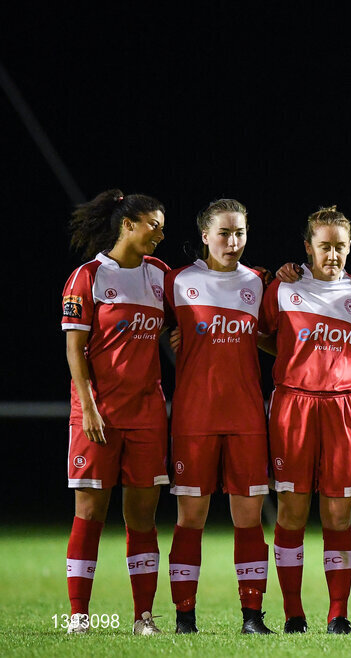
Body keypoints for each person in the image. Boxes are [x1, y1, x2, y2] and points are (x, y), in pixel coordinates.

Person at [61, 189, 168, 635]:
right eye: (153, 226)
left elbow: (205, 298)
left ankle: (143, 618)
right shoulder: (87, 277)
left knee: (142, 517)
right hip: (98, 415)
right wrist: (88, 407)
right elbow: (75, 349)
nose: (160, 235)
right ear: (127, 224)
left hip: (147, 414)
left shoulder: (161, 275)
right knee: (90, 513)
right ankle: (78, 618)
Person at [165, 199, 274, 635]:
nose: (233, 242)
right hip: (194, 419)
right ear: (205, 235)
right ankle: (184, 618)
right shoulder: (177, 281)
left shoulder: (261, 282)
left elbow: (270, 338)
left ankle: (251, 617)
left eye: (241, 233)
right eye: (225, 233)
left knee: (248, 519)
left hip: (247, 417)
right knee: (190, 518)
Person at [260, 207, 351, 635]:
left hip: (342, 407)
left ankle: (337, 614)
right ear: (308, 247)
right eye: (324, 245)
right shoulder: (284, 287)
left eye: (340, 245)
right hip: (293, 406)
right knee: (291, 513)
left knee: (338, 516)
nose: (333, 254)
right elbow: (265, 336)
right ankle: (293, 614)